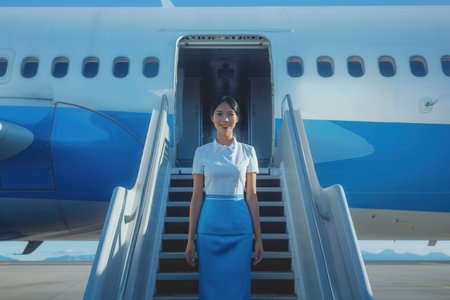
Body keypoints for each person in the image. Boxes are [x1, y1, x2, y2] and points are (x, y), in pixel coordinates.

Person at [185, 96, 264, 300]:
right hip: (209, 227)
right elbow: (196, 197)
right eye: (219, 113)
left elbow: (252, 196)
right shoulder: (201, 153)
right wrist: (190, 239)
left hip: (240, 227)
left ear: (237, 118)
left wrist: (259, 239)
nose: (225, 118)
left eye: (230, 114)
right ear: (211, 117)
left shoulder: (248, 152)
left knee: (239, 285)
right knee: (210, 285)